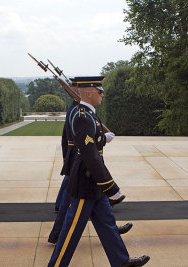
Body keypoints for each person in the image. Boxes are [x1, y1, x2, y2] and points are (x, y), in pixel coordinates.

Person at [48, 76, 150, 267]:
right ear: (88, 92)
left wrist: (102, 138)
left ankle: (121, 261)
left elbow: (92, 142)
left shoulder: (89, 114)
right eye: (99, 90)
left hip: (93, 182)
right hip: (85, 182)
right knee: (70, 233)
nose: (102, 93)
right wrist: (111, 187)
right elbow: (91, 157)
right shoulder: (82, 117)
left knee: (107, 224)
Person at [49, 82, 131, 244]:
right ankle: (57, 234)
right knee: (69, 198)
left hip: (78, 159)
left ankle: (110, 229)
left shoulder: (81, 110)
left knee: (72, 198)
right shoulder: (78, 111)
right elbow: (70, 139)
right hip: (79, 159)